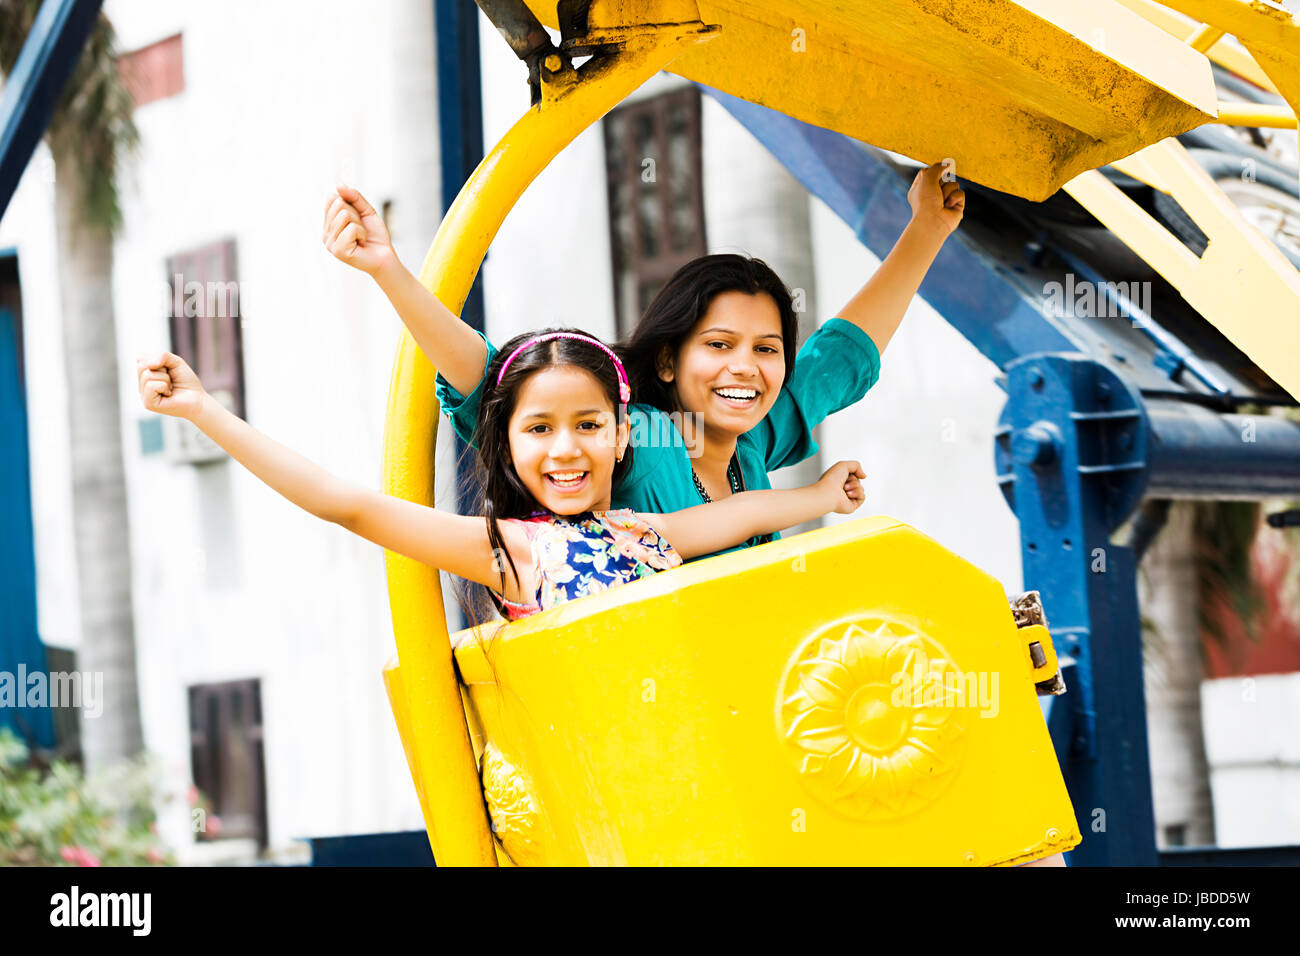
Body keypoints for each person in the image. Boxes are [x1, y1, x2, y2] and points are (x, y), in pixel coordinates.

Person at [322, 161, 964, 559]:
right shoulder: (636, 438)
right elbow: (492, 378)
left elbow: (837, 360)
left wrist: (925, 231)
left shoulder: (751, 448)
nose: (746, 367)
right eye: (718, 346)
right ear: (664, 361)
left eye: (765, 350)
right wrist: (388, 271)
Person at [135, 331, 865, 620]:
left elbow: (739, 517)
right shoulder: (517, 551)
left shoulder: (649, 532)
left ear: (622, 438)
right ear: (508, 448)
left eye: (587, 426)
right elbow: (349, 506)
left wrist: (822, 495)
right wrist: (207, 412)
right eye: (538, 430)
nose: (565, 450)